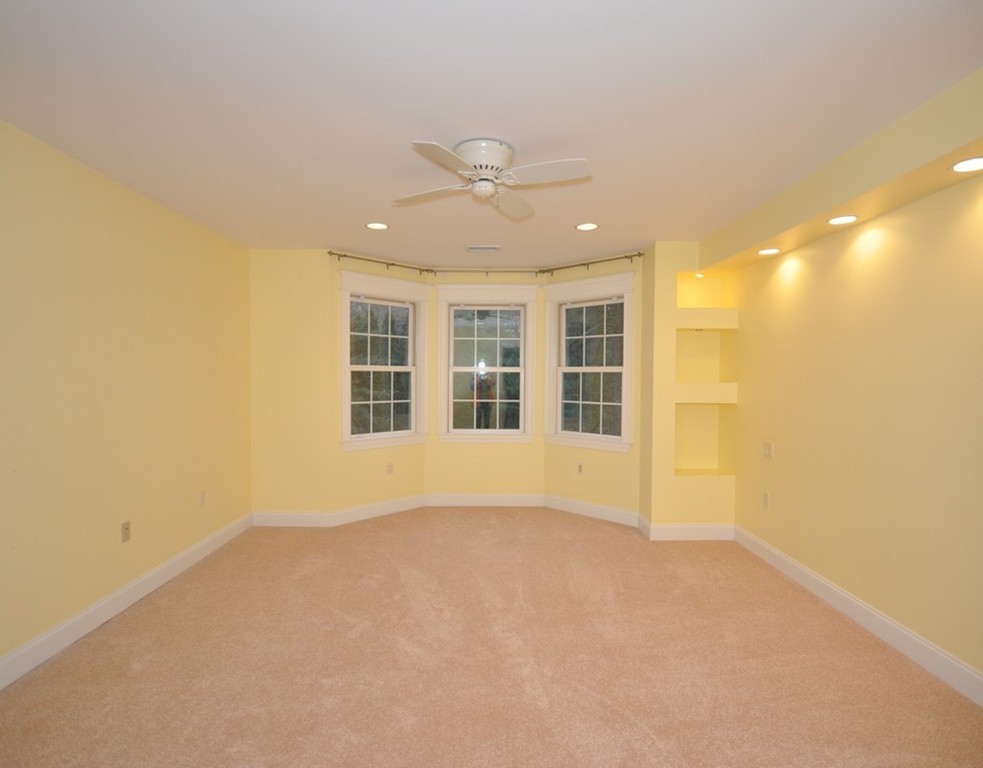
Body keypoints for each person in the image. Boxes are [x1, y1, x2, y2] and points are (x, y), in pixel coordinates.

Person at [472, 361, 495, 428]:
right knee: (478, 419)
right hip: (478, 401)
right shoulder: (475, 377)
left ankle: (487, 432)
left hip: (488, 402)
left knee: (487, 419)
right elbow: (472, 387)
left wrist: (489, 379)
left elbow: (493, 384)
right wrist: (476, 379)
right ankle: (477, 432)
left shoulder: (489, 377)